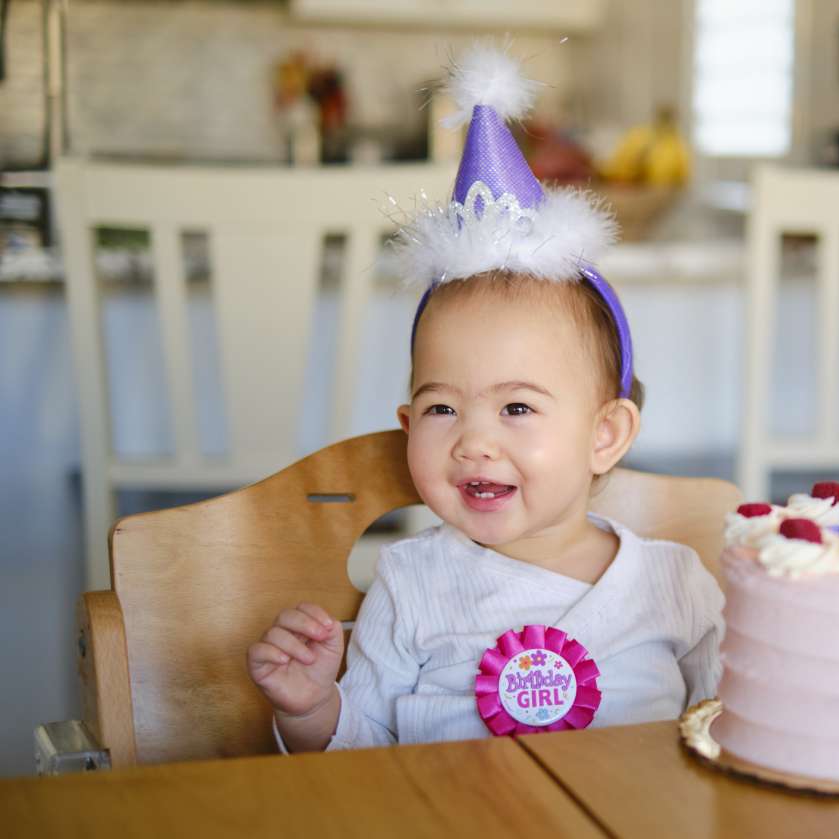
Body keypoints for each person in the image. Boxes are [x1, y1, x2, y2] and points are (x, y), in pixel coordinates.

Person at [245, 43, 724, 752]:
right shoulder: (410, 582)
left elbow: (734, 728)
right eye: (441, 408)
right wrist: (312, 707)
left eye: (517, 407)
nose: (472, 440)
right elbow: (359, 752)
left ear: (605, 433)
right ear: (406, 423)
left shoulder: (672, 581)